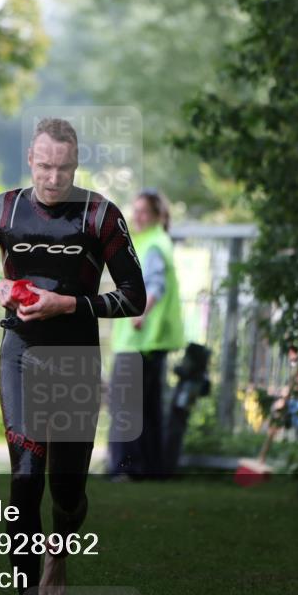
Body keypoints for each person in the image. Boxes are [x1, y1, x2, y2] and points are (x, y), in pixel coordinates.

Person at [0, 118, 146, 595]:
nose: (53, 178)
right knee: (25, 480)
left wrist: (71, 303)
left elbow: (133, 296)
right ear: (30, 160)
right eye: (43, 166)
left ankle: (60, 545)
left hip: (76, 358)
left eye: (63, 168)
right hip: (22, 355)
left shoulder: (99, 215)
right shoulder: (2, 210)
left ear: (75, 165)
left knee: (68, 493)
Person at [108, 189, 185, 479]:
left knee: (125, 406)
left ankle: (125, 469)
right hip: (152, 341)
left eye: (144, 211)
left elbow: (154, 285)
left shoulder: (152, 244)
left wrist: (141, 312)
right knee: (149, 408)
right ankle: (152, 468)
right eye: (136, 209)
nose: (137, 216)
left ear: (158, 216)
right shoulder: (157, 241)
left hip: (139, 338)